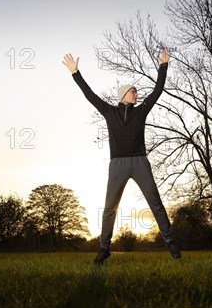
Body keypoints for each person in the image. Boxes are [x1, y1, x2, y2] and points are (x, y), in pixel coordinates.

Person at [62, 49, 181, 265]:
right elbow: (89, 94)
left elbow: (158, 90)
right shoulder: (109, 112)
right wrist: (75, 73)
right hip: (117, 164)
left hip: (139, 162)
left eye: (136, 91)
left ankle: (171, 241)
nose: (137, 94)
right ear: (123, 95)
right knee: (110, 207)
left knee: (155, 202)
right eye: (133, 91)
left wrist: (163, 66)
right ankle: (104, 248)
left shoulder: (141, 110)